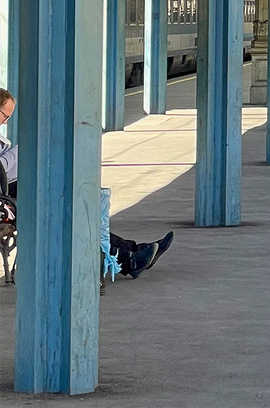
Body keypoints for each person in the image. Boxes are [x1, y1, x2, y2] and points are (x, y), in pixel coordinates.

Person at [0, 90, 173, 277]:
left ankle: (133, 253)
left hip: (15, 191)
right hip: (10, 198)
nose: (5, 122)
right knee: (70, 215)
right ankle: (130, 257)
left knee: (76, 212)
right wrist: (22, 150)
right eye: (5, 116)